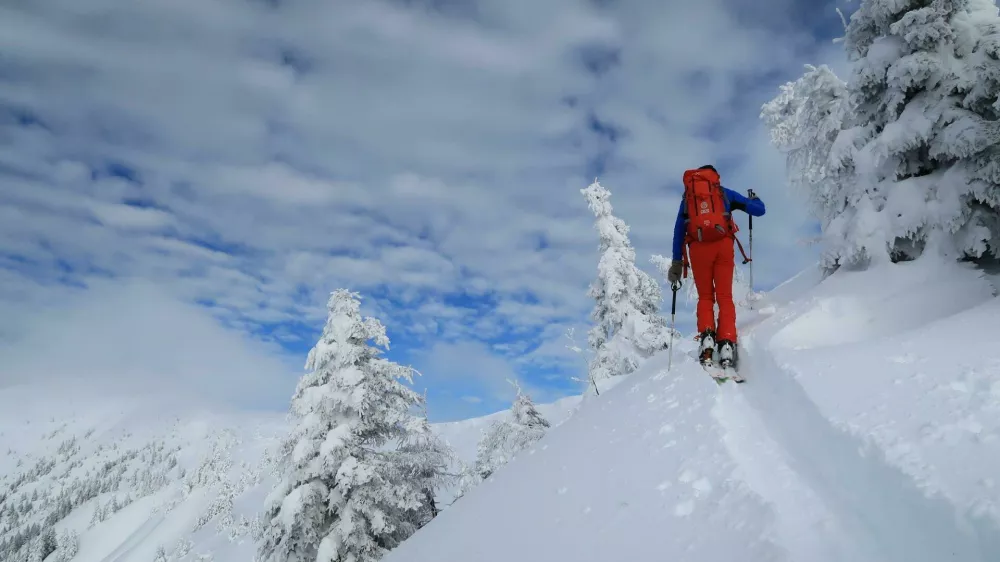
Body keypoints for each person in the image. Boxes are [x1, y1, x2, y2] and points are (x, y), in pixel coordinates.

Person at [666, 165, 765, 368]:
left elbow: (678, 231)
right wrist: (755, 199)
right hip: (723, 246)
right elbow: (759, 210)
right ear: (714, 178)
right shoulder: (723, 194)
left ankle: (707, 340)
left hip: (698, 249)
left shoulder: (688, 200)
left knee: (705, 297)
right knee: (725, 296)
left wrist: (677, 262)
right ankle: (727, 343)